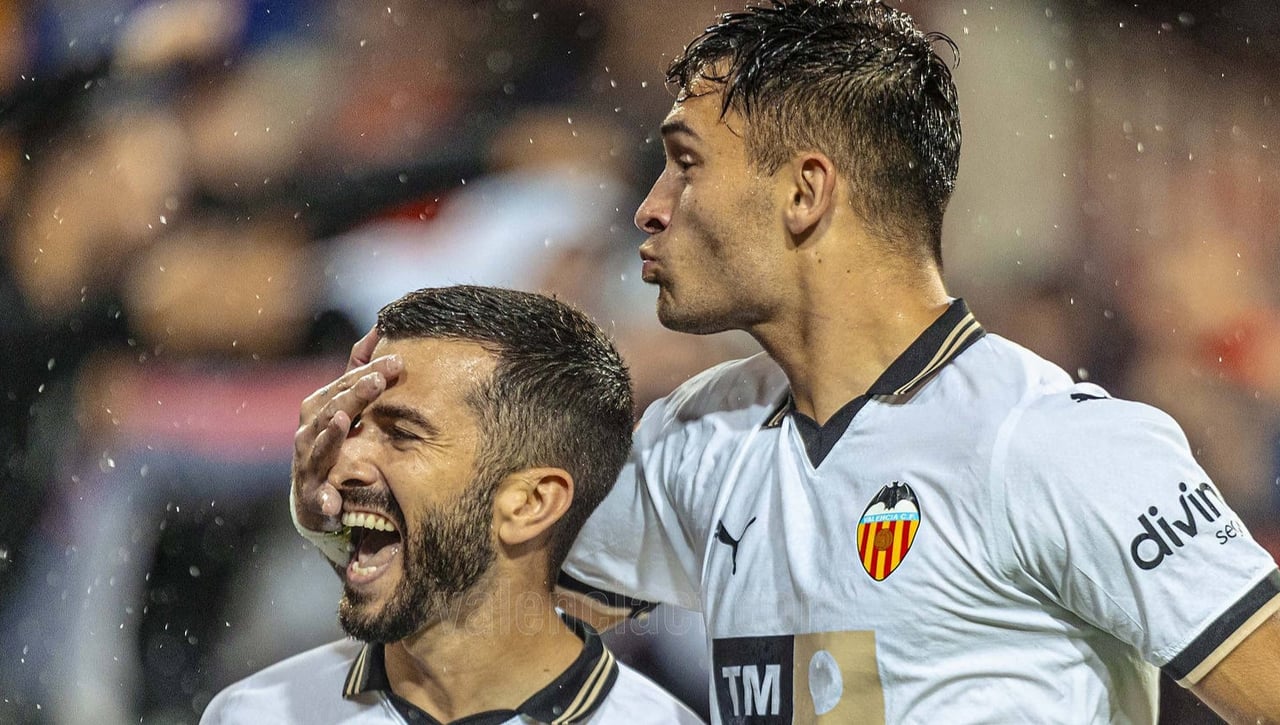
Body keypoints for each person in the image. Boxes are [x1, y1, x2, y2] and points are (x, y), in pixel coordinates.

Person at [291, 2, 1280, 722]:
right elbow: (468, 598)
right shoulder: (699, 445)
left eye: (683, 162)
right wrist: (349, 509)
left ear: (804, 193)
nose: (648, 206)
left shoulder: (1055, 446)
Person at [205, 286, 701, 724]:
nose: (341, 464)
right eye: (353, 426)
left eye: (401, 434)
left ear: (531, 503)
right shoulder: (256, 712)